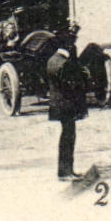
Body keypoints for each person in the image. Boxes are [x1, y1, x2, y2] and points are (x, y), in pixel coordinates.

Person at [46, 24, 89, 180]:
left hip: (60, 106)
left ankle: (67, 170)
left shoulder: (53, 60)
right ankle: (65, 172)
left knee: (68, 137)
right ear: (69, 46)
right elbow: (72, 84)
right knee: (68, 138)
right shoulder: (63, 63)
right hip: (66, 106)